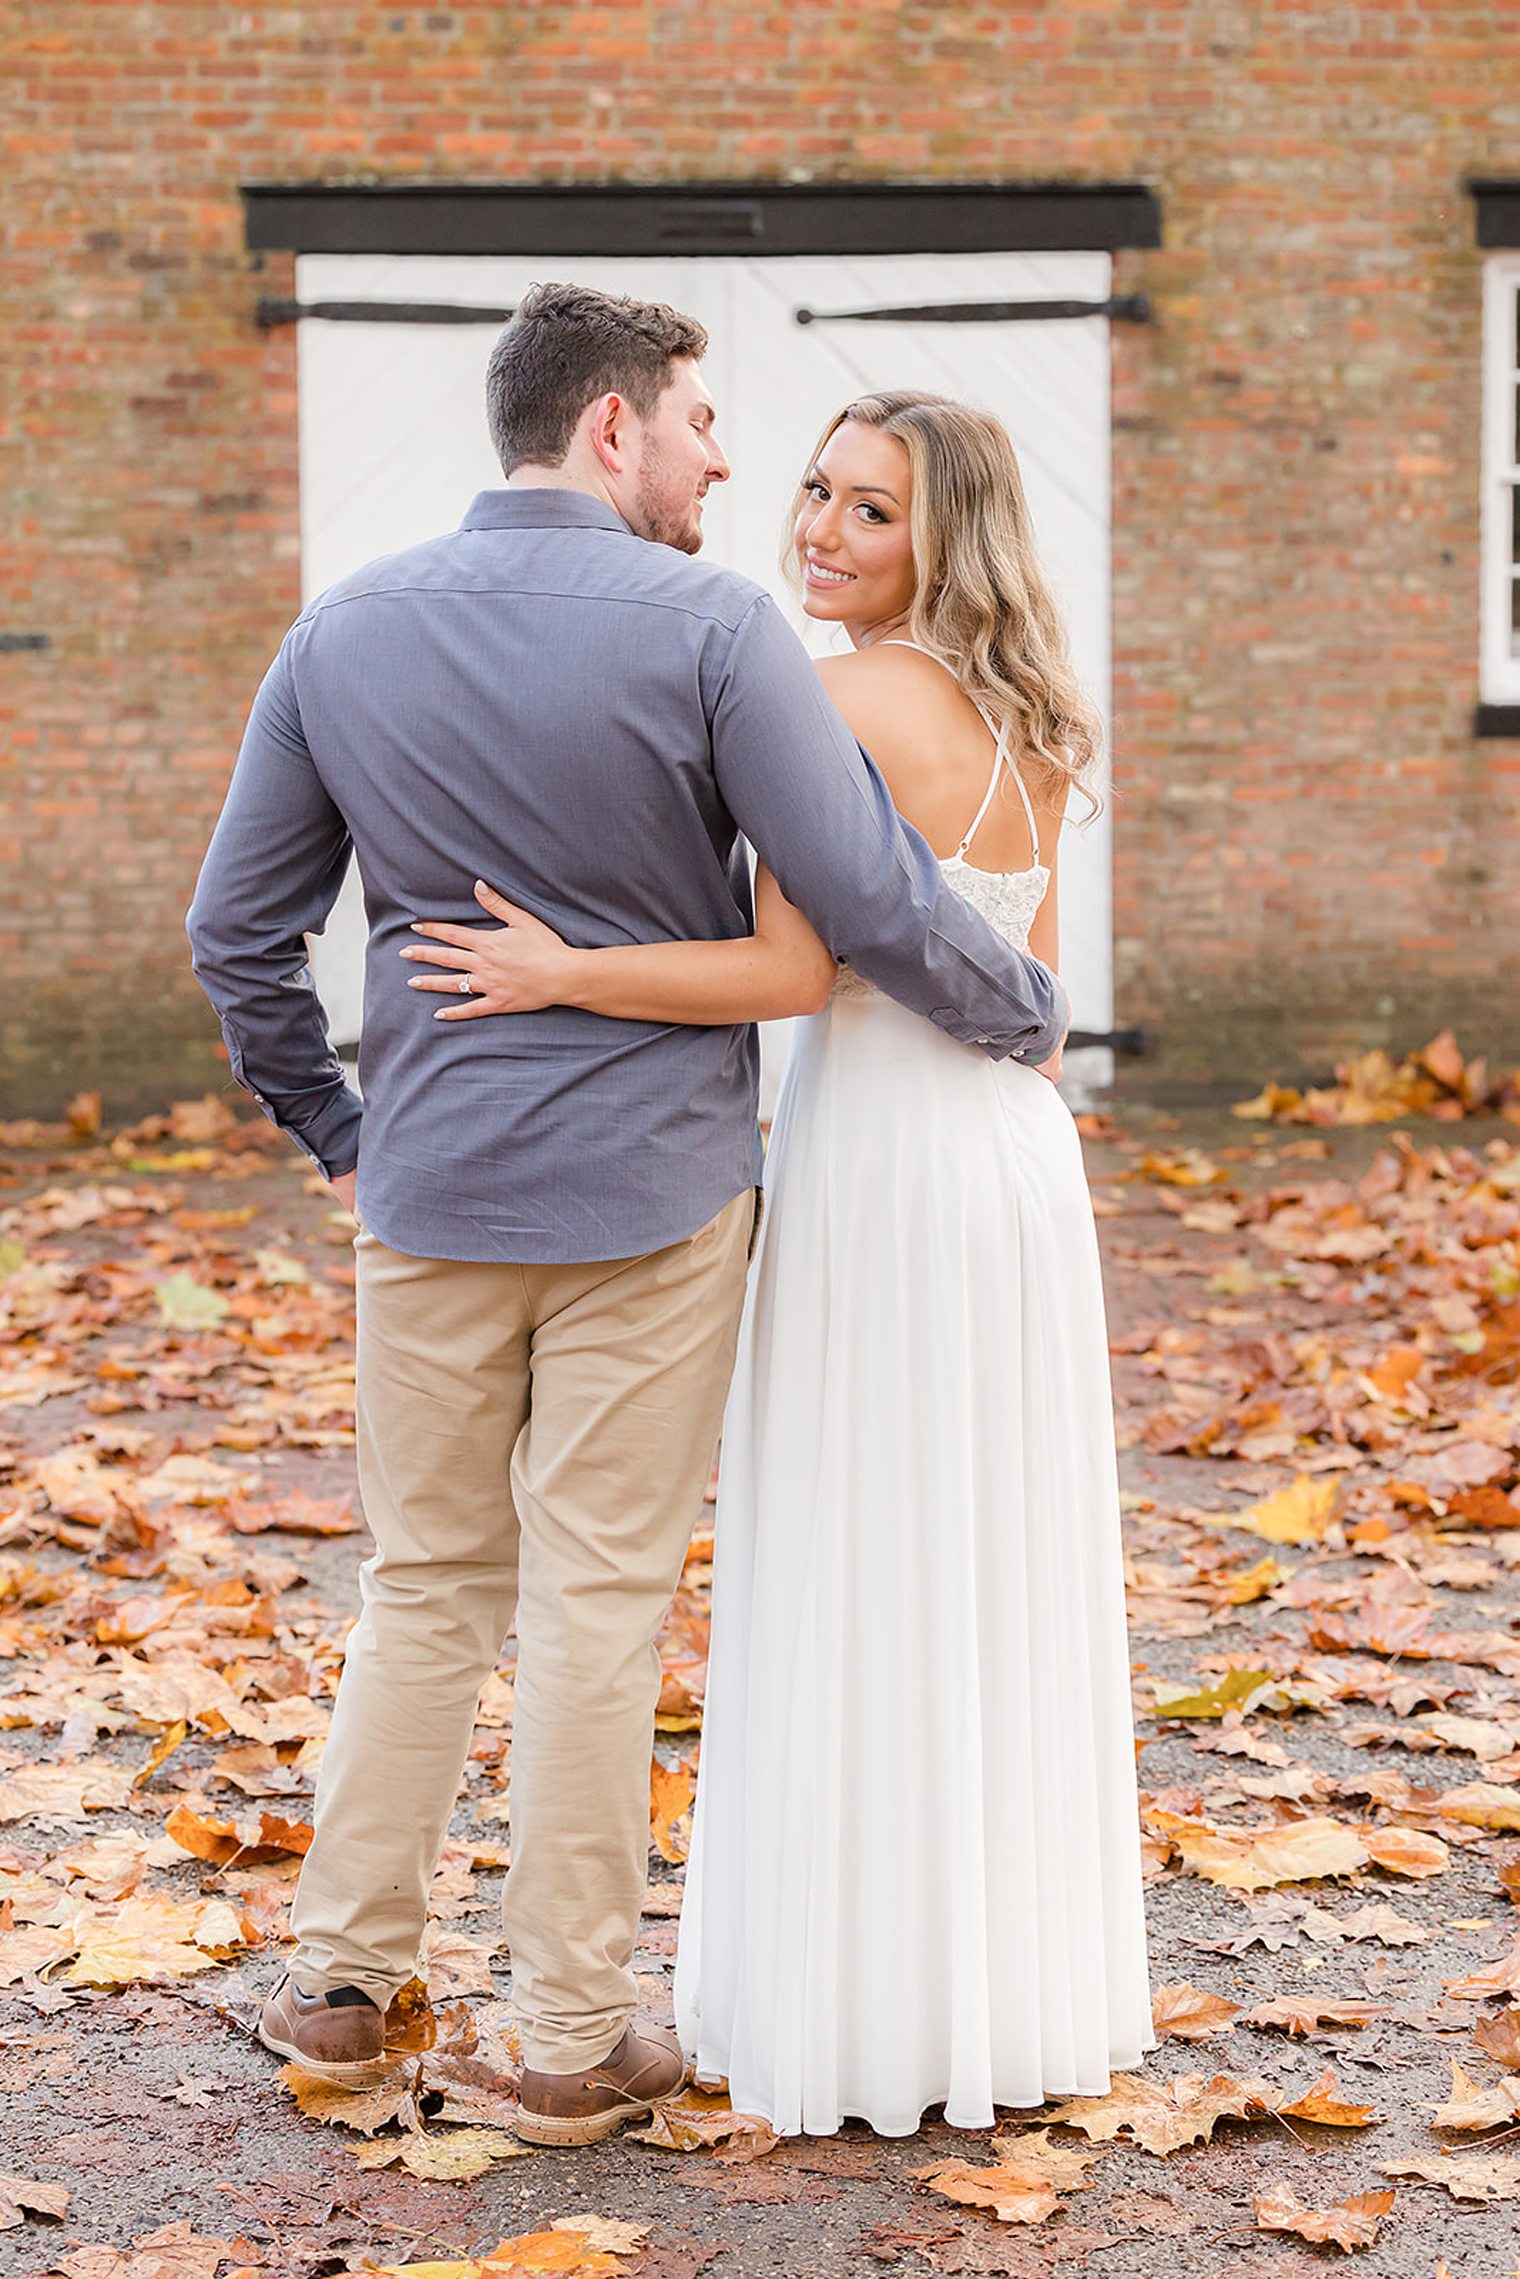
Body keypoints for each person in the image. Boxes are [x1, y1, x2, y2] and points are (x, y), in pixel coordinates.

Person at [186, 292, 1068, 2147]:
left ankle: (347, 1986)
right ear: (611, 428)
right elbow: (868, 906)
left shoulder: (341, 630)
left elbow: (236, 938)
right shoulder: (719, 630)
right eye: (698, 421)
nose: (727, 463)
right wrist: (1023, 1019)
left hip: (428, 1194)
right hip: (652, 1201)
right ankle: (568, 2031)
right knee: (593, 1598)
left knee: (424, 1583)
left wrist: (339, 1131)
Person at [404, 390, 1155, 2138]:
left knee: (862, 1553)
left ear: (939, 539)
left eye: (869, 511)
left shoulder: (836, 697)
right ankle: (994, 1998)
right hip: (1010, 1164)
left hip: (888, 1158)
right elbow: (1024, 994)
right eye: (814, 490)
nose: (818, 527)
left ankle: (859, 2007)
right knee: (983, 1563)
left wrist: (558, 969)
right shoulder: (1034, 713)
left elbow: (791, 975)